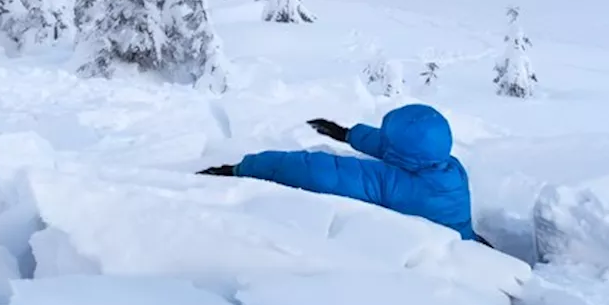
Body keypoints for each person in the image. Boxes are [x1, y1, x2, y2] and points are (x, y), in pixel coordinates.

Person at [198, 103, 487, 245]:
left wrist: (243, 168)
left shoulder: (392, 183)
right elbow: (396, 148)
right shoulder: (450, 165)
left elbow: (317, 171)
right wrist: (348, 134)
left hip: (447, 262)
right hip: (471, 241)